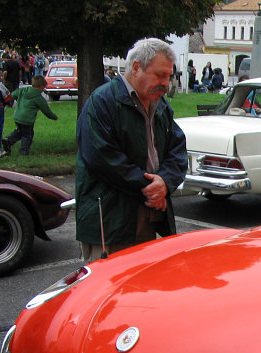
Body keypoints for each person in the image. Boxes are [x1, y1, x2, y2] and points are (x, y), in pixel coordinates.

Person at [75, 37, 187, 263]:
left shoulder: (161, 105)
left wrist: (164, 182)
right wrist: (150, 188)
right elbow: (101, 157)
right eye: (160, 75)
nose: (166, 83)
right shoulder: (103, 101)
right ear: (136, 67)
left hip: (147, 215)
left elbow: (178, 148)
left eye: (169, 76)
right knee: (108, 290)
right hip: (109, 220)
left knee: (142, 289)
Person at [1, 75, 58, 156]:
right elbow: (46, 111)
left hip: (17, 116)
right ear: (41, 86)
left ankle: (8, 140)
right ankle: (24, 152)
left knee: (20, 132)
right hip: (27, 120)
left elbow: (13, 95)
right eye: (43, 88)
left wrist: (20, 100)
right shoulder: (38, 98)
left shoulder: (23, 90)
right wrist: (54, 117)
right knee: (28, 136)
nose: (43, 90)